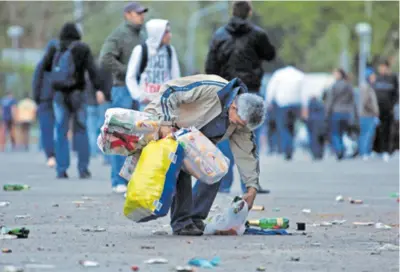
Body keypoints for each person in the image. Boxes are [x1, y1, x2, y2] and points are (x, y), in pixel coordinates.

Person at [144, 74, 266, 236]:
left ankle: (195, 217)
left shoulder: (241, 122)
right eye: (237, 122)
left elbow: (247, 154)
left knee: (218, 166)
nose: (237, 126)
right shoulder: (212, 88)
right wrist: (166, 123)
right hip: (165, 122)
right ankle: (182, 223)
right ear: (234, 107)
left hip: (192, 138)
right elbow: (169, 90)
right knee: (180, 164)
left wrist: (252, 188)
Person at [42, 22, 102, 179]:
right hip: (78, 94)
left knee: (61, 131)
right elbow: (93, 70)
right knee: (81, 130)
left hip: (60, 95)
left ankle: (61, 169)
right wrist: (99, 89)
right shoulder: (82, 48)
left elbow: (46, 67)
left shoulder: (55, 47)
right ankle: (83, 168)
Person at [99, 2, 148, 193]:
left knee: (139, 136)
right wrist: (127, 72)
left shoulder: (142, 36)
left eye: (142, 13)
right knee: (120, 135)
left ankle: (133, 180)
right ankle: (118, 181)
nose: (141, 16)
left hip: (140, 90)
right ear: (127, 14)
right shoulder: (118, 35)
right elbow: (106, 57)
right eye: (138, 13)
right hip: (122, 89)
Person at [126, 19, 180, 110]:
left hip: (164, 104)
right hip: (145, 104)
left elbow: (175, 76)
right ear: (157, 33)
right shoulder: (141, 50)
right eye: (166, 32)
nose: (170, 35)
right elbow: (130, 77)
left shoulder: (170, 50)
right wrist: (139, 96)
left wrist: (174, 96)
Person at [265, 64, 306, 161]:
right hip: (296, 104)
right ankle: (290, 147)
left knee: (283, 127)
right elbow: (304, 92)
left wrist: (268, 101)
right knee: (292, 127)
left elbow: (271, 88)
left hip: (282, 104)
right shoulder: (300, 75)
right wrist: (304, 106)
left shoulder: (279, 74)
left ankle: (286, 148)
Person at [32, 39, 58, 167]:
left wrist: (37, 99)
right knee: (60, 128)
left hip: (44, 100)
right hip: (59, 99)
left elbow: (36, 83)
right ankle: (60, 154)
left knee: (46, 129)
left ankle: (50, 156)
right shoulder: (61, 64)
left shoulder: (42, 65)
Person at [325, 68, 359, 160]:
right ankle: (344, 149)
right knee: (344, 132)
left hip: (336, 112)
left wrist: (326, 113)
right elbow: (353, 101)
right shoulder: (349, 86)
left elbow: (330, 101)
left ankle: (340, 149)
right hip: (347, 113)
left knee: (335, 133)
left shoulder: (334, 86)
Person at [371, 60, 399, 162]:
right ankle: (377, 150)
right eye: (380, 67)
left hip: (388, 109)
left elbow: (396, 94)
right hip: (376, 109)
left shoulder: (392, 78)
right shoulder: (376, 78)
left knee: (387, 130)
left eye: (383, 67)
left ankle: (386, 151)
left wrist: (392, 106)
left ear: (387, 68)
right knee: (377, 130)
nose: (381, 69)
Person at [358, 73, 380, 160]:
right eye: (372, 77)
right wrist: (374, 111)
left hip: (366, 114)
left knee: (366, 134)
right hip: (367, 114)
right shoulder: (366, 88)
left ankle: (366, 151)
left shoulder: (368, 87)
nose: (374, 79)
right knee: (367, 134)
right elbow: (366, 102)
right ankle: (364, 152)